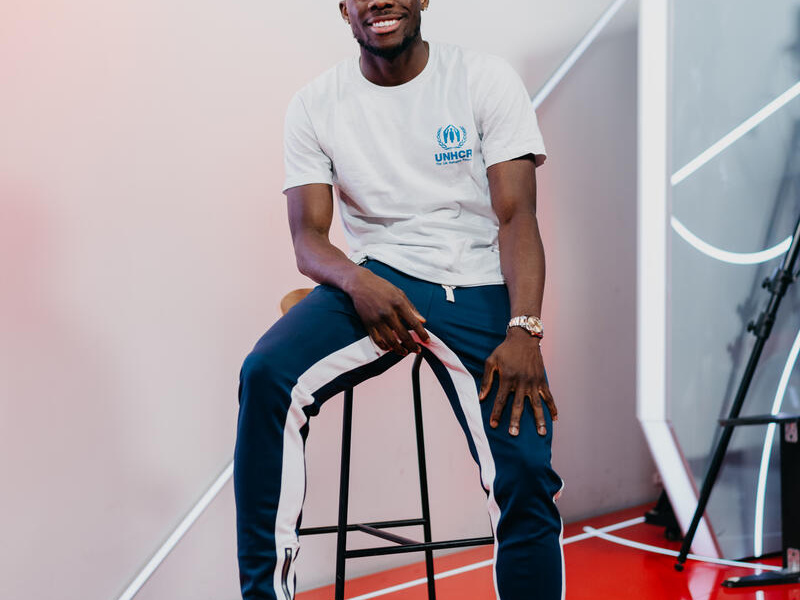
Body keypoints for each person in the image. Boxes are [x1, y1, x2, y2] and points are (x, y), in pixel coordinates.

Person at [233, 1, 564, 598]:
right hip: (381, 278)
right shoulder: (316, 103)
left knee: (525, 470)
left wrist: (525, 329)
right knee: (266, 375)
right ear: (345, 8)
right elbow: (308, 239)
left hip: (481, 284)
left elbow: (517, 216)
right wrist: (358, 282)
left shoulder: (482, 78)